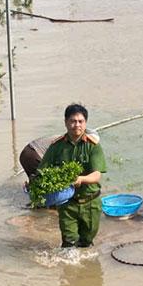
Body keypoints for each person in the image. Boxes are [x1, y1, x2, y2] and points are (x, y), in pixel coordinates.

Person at [38, 104, 107, 248]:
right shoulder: (56, 146)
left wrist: (81, 179)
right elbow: (42, 171)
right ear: (65, 122)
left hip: (91, 203)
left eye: (81, 121)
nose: (77, 125)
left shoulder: (93, 146)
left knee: (87, 242)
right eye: (73, 121)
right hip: (67, 204)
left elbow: (96, 175)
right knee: (69, 243)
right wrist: (34, 183)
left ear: (85, 123)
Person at [20, 130, 100, 179]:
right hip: (33, 154)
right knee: (45, 184)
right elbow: (63, 165)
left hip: (27, 152)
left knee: (37, 181)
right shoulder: (69, 142)